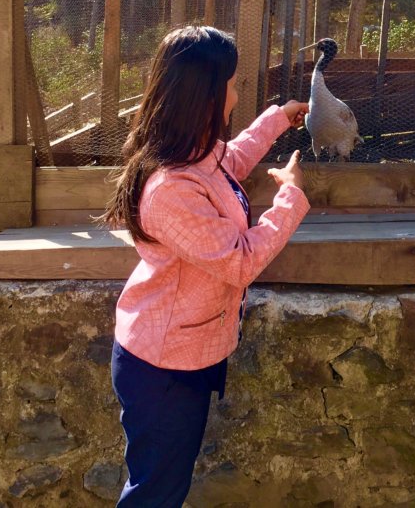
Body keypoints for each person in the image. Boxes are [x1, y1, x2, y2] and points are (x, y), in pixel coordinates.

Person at [103, 25, 310, 507]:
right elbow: (240, 262)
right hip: (163, 367)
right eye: (232, 85)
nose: (236, 95)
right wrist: (291, 197)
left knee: (164, 483)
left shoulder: (190, 152)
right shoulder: (171, 188)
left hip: (183, 352)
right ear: (205, 94)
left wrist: (278, 119)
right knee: (156, 491)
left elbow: (231, 163)